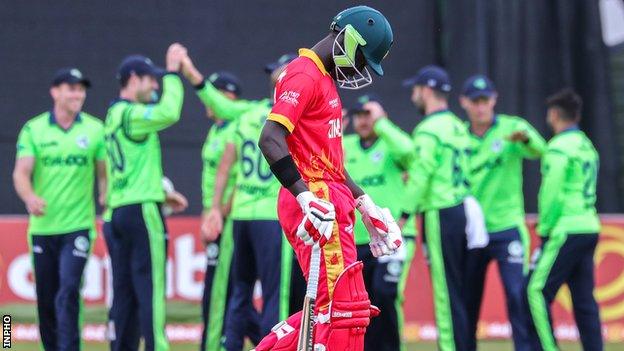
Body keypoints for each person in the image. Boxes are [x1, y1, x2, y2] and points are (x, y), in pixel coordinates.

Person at [255, 6, 402, 351]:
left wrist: (365, 203)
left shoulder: (322, 78)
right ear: (349, 40)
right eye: (363, 58)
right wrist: (305, 198)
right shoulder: (304, 75)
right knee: (341, 309)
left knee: (337, 310)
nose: (361, 68)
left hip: (329, 196)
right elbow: (270, 138)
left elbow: (330, 162)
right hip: (317, 202)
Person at [181, 53, 302, 351]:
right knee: (275, 294)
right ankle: (269, 347)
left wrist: (214, 208)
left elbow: (227, 163)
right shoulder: (294, 116)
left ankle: (231, 346)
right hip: (273, 217)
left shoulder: (248, 113)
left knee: (240, 292)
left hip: (241, 215)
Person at [13, 67, 105, 351]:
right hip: (43, 228)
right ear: (55, 92)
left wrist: (106, 195)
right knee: (46, 296)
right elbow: (21, 173)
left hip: (77, 227)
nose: (78, 94)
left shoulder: (94, 129)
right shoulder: (35, 129)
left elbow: (104, 173)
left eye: (81, 89)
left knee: (68, 291)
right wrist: (29, 197)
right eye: (71, 88)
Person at [104, 44, 186, 351]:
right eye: (151, 79)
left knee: (124, 293)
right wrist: (173, 73)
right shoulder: (131, 114)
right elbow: (169, 112)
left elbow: (130, 166)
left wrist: (163, 192)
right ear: (134, 79)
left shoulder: (111, 114)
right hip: (141, 212)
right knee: (150, 291)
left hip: (119, 212)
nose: (155, 85)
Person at [460, 74, 546, 351]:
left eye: (485, 100)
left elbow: (540, 150)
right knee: (468, 299)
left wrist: (527, 138)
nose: (481, 106)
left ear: (494, 99)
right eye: (475, 101)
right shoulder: (459, 137)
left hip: (507, 227)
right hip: (473, 232)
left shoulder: (512, 128)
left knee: (517, 294)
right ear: (464, 103)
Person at [401, 65, 484, 351]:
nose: (413, 95)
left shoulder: (429, 128)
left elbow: (421, 176)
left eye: (415, 89)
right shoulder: (458, 126)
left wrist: (402, 214)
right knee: (459, 291)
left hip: (439, 212)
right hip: (462, 210)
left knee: (446, 294)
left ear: (426, 90)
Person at [527, 88, 603, 351]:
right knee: (584, 300)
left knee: (535, 292)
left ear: (555, 114)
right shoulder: (586, 145)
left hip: (566, 229)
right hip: (589, 226)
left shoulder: (558, 147)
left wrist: (545, 229)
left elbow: (552, 195)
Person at [343, 94, 416, 351]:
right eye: (359, 116)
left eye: (368, 115)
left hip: (391, 238)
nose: (363, 121)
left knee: (386, 294)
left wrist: (382, 122)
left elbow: (410, 152)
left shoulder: (389, 144)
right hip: (357, 239)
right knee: (363, 303)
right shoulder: (346, 146)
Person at [196, 71, 260, 351]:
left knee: (223, 292)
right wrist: (208, 212)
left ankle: (215, 345)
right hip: (216, 218)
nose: (210, 101)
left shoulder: (238, 127)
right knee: (224, 291)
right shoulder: (216, 130)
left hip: (231, 220)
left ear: (229, 98)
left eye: (217, 94)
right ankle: (269, 342)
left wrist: (218, 214)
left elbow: (237, 180)